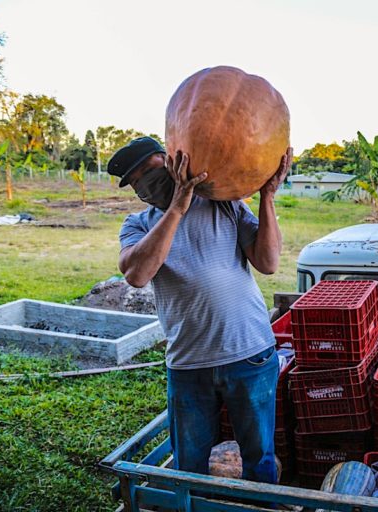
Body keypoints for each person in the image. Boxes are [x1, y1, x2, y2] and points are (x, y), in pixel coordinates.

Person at [107, 136, 292, 485]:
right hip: (189, 364)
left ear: (171, 160)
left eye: (150, 167)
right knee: (189, 464)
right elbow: (137, 273)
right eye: (136, 180)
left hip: (250, 354)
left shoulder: (223, 204)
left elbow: (267, 262)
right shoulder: (138, 225)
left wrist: (267, 197)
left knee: (259, 456)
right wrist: (176, 207)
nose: (146, 180)